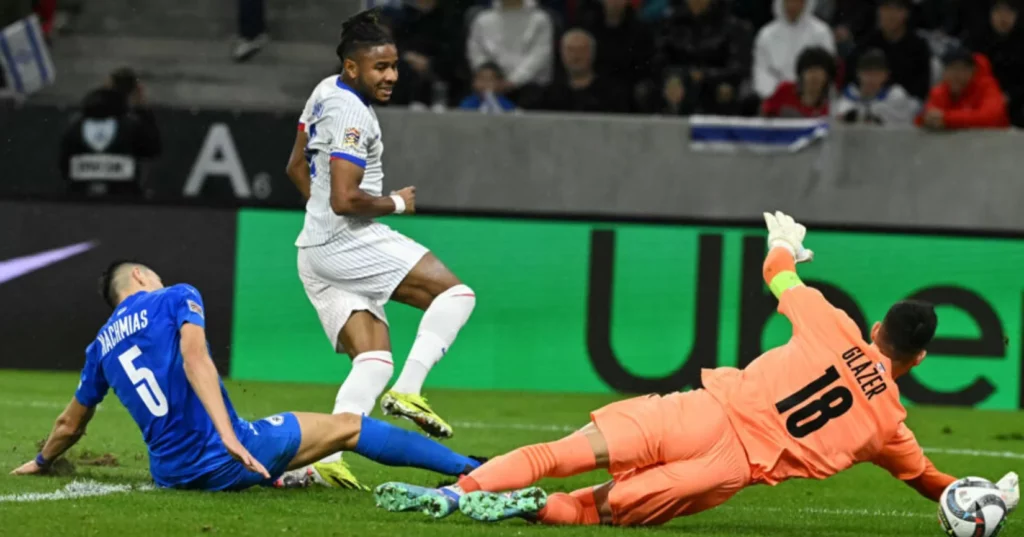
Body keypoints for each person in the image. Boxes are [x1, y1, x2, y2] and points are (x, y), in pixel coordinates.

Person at [372, 211, 1021, 527]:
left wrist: (784, 240)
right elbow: (932, 482)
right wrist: (990, 496)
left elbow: (777, 273)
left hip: (700, 410)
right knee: (593, 509)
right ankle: (531, 510)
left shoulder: (835, 325)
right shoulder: (890, 426)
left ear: (877, 327)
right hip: (728, 466)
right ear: (922, 358)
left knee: (560, 449)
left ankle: (458, 492)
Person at [10, 261, 482, 491]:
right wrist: (228, 437)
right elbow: (196, 360)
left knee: (279, 439)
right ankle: (473, 469)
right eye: (151, 274)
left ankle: (281, 475)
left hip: (171, 474)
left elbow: (70, 425)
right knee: (351, 428)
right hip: (224, 455)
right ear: (139, 276)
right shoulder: (174, 296)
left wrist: (42, 462)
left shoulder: (100, 346)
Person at [282, 8, 477, 489]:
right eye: (380, 68)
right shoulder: (352, 113)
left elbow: (294, 167)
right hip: (345, 240)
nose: (391, 76)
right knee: (456, 296)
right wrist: (395, 202)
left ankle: (323, 458)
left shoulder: (324, 91)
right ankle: (409, 392)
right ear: (353, 67)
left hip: (314, 248)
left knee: (372, 359)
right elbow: (346, 199)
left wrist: (320, 216)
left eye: (393, 66)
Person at [916, 46, 1010, 131]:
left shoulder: (987, 86)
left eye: (963, 69)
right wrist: (927, 120)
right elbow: (925, 118)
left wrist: (947, 119)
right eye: (952, 69)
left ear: (973, 71)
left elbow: (991, 117)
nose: (957, 75)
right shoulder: (939, 91)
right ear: (944, 72)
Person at [835, 48, 920, 126]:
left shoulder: (896, 96)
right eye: (867, 73)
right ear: (858, 73)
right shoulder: (848, 96)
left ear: (886, 75)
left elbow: (901, 126)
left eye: (877, 74)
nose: (872, 79)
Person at [761, 46, 835, 118]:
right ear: (801, 74)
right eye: (810, 71)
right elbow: (764, 114)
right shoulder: (785, 90)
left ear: (827, 77)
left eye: (820, 72)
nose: (814, 76)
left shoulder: (831, 107)